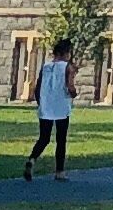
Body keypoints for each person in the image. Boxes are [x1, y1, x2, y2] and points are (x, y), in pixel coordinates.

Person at [24, 46, 77, 178]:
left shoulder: (46, 66)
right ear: (65, 53)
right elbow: (70, 86)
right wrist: (73, 94)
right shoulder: (67, 67)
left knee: (44, 138)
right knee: (61, 139)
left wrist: (40, 103)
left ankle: (32, 159)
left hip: (46, 106)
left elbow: (38, 87)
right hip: (61, 106)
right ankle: (60, 171)